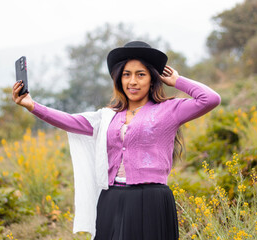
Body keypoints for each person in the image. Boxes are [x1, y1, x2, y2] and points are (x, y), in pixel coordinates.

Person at [12, 41, 221, 240]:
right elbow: (69, 121)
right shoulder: (107, 116)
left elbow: (210, 99)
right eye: (126, 75)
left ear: (152, 78)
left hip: (151, 200)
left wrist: (178, 81)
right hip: (111, 199)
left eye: (141, 74)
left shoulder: (169, 110)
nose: (133, 81)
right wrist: (32, 105)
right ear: (119, 79)